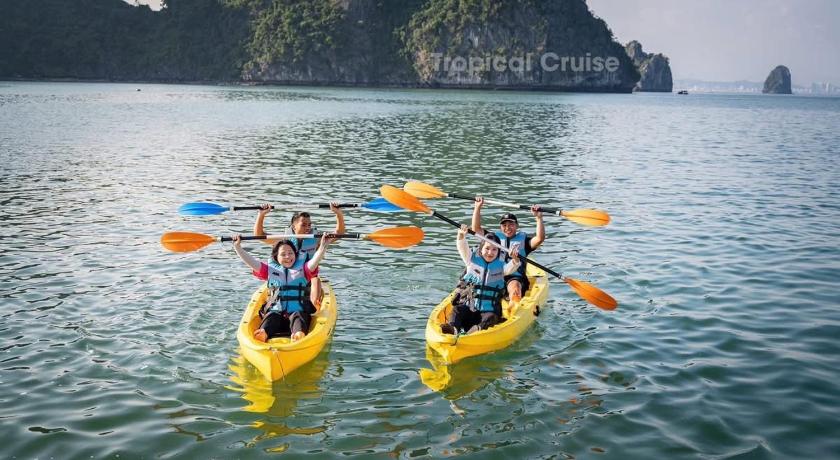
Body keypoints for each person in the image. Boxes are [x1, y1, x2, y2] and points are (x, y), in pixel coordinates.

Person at [232, 232, 335, 342]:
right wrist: (237, 247)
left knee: (299, 316)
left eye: (290, 253)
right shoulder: (269, 270)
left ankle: (298, 334)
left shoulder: (304, 270)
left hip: (297, 313)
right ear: (276, 257)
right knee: (272, 316)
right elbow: (251, 262)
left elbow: (315, 260)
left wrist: (324, 245)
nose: (288, 257)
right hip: (276, 312)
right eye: (283, 254)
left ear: (295, 255)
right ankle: (263, 333)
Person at [254, 202, 345, 309]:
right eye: (303, 225)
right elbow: (259, 235)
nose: (307, 228)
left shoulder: (316, 238)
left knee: (315, 280)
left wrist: (338, 213)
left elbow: (339, 233)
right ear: (293, 226)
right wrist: (261, 214)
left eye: (309, 225)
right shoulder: (284, 239)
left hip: (307, 276)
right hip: (287, 277)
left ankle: (314, 306)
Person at [441, 225, 521, 335]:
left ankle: (473, 332)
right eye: (487, 248)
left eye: (494, 249)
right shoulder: (471, 260)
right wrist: (461, 236)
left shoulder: (502, 266)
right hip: (469, 308)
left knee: (491, 317)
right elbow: (462, 247)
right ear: (481, 248)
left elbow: (513, 266)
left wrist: (515, 259)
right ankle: (453, 329)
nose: (490, 252)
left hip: (487, 313)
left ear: (498, 251)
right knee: (457, 310)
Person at [471, 197, 544, 304]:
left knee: (514, 287)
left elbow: (539, 239)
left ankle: (513, 307)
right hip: (493, 274)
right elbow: (476, 229)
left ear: (516, 226)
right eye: (504, 225)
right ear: (500, 227)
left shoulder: (524, 240)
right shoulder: (494, 239)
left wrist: (539, 218)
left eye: (511, 225)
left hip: (514, 277)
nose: (507, 228)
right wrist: (477, 207)